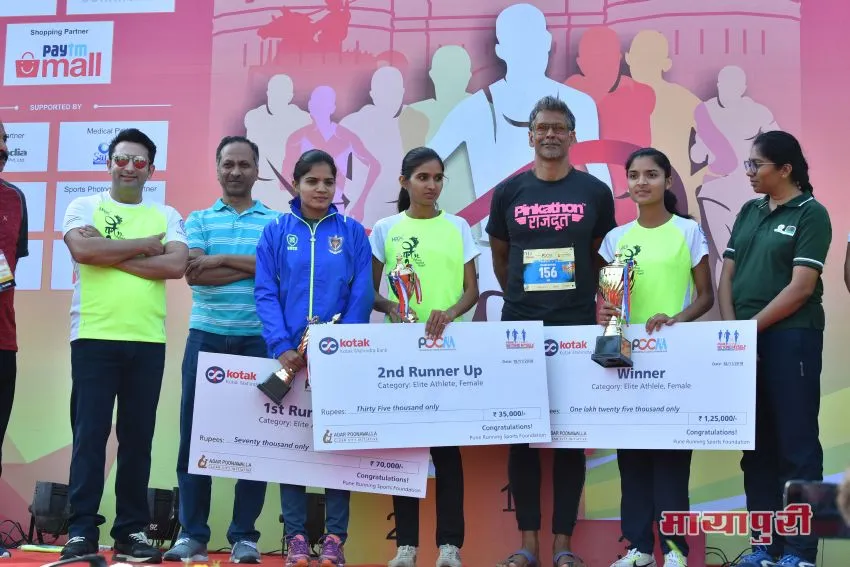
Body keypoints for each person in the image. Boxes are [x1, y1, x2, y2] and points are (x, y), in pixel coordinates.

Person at [487, 96, 617, 567]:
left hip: (577, 327)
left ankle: (564, 546)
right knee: (521, 438)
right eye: (542, 127)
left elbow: (604, 255)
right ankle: (529, 545)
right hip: (521, 328)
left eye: (559, 128)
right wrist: (522, 300)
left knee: (568, 439)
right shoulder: (509, 193)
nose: (550, 135)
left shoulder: (595, 192)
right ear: (530, 134)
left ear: (572, 135)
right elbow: (502, 257)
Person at [60, 128, 189, 562]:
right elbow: (82, 250)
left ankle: (130, 532)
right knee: (89, 436)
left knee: (138, 439)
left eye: (138, 162)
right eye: (122, 159)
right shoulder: (83, 205)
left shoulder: (166, 213)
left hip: (147, 341)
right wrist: (142, 248)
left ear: (151, 170)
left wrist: (111, 250)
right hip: (94, 336)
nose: (129, 167)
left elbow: (174, 265)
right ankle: (81, 531)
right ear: (109, 163)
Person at [254, 149, 373, 567]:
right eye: (312, 181)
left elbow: (361, 292)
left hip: (338, 357)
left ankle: (336, 539)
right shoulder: (274, 232)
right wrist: (282, 346)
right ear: (296, 184)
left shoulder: (353, 233)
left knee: (337, 444)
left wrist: (343, 346)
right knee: (292, 446)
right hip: (291, 358)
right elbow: (266, 291)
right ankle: (298, 536)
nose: (321, 189)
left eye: (328, 182)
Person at [163, 136, 279, 564]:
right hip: (207, 337)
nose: (235, 172)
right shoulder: (198, 219)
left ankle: (244, 536)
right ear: (217, 168)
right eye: (228, 164)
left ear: (256, 170)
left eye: (244, 165)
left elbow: (277, 275)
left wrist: (218, 261)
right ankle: (193, 534)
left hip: (259, 339)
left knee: (255, 440)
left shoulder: (276, 222)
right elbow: (195, 275)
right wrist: (247, 266)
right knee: (195, 439)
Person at [719, 131, 831, 567]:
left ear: (785, 169)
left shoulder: (811, 214)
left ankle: (800, 553)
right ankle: (764, 547)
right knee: (756, 447)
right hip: (744, 342)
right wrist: (733, 335)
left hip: (791, 339)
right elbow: (725, 275)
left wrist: (748, 331)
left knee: (797, 447)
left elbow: (801, 287)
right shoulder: (749, 211)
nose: (749, 172)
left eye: (756, 165)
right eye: (748, 164)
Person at [597, 149, 714, 567]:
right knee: (632, 457)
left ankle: (676, 551)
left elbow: (706, 297)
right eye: (633, 175)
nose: (641, 182)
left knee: (671, 458)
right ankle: (639, 549)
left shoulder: (688, 232)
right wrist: (605, 312)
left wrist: (676, 318)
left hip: (673, 360)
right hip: (627, 359)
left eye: (651, 174)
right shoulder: (616, 239)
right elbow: (609, 303)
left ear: (667, 181)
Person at [369, 147, 480, 567]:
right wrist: (391, 308)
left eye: (437, 178)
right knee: (407, 449)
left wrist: (448, 313)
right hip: (401, 352)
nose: (431, 185)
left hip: (450, 352)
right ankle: (406, 547)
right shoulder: (385, 228)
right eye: (422, 177)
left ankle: (450, 546)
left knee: (447, 451)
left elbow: (472, 290)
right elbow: (369, 290)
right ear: (404, 182)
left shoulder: (458, 226)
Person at [0, 120, 28, 560]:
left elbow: (11, 269)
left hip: (2, 339)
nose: (3, 147)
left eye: (4, 140)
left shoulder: (15, 197)